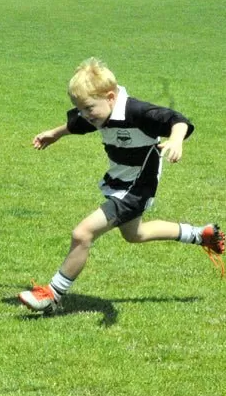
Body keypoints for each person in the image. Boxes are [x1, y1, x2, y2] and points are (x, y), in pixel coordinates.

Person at [19, 57, 224, 314]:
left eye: (88, 108)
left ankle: (52, 293)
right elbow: (78, 124)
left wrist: (176, 140)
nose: (85, 114)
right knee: (134, 235)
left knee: (82, 234)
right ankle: (199, 234)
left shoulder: (137, 112)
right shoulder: (98, 114)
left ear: (111, 97)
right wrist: (55, 133)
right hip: (121, 181)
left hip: (137, 187)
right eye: (80, 108)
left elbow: (178, 119)